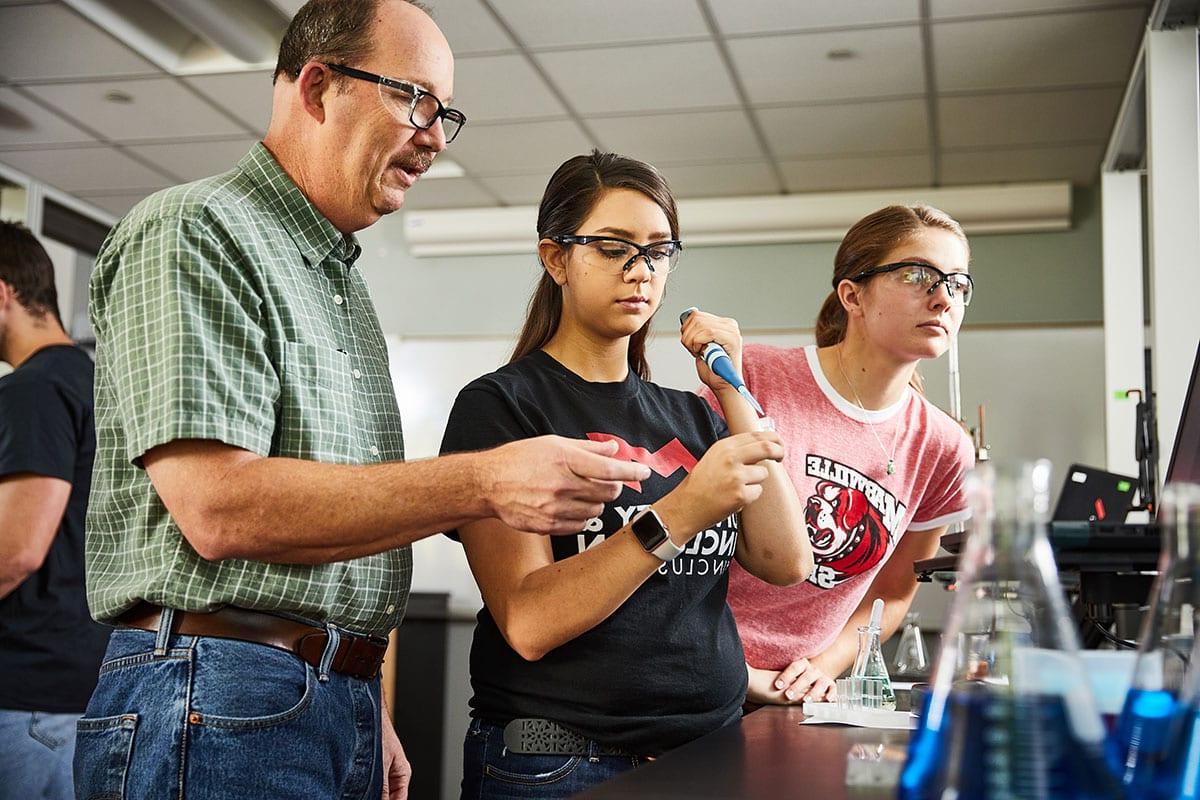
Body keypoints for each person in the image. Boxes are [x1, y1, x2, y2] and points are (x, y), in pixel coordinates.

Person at [74, 3, 649, 799]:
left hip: (323, 697)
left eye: (445, 113)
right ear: (318, 86)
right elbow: (218, 509)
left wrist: (363, 696)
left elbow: (347, 533)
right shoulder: (197, 230)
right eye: (415, 99)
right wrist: (484, 483)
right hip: (216, 694)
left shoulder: (339, 282)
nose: (437, 137)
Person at [439, 150, 813, 799]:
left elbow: (786, 559)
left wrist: (733, 386)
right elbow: (529, 622)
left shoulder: (692, 419)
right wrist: (682, 510)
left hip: (709, 754)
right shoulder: (503, 406)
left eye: (659, 251)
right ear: (556, 258)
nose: (640, 271)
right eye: (613, 248)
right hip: (561, 761)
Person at [702, 205, 975, 706]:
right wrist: (728, 672)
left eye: (957, 283)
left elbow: (894, 589)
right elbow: (677, 532)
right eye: (919, 275)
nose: (943, 298)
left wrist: (822, 667)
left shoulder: (944, 445)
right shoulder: (754, 377)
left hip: (798, 699)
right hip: (695, 677)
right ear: (852, 295)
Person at [0, 221, 109, 800]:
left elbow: (16, 550)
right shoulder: (95, 384)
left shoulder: (32, 390)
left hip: (27, 699)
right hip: (80, 686)